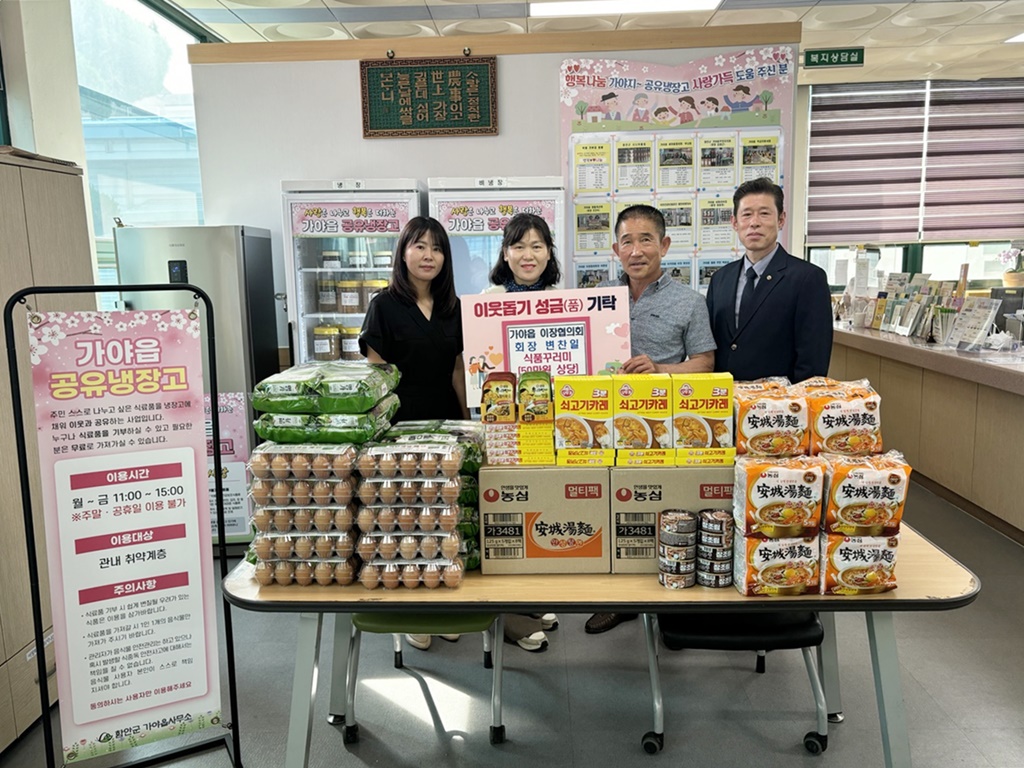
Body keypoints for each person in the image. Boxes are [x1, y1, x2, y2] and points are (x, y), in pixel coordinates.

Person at [587, 204, 716, 635]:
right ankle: (619, 600)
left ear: (664, 245)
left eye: (646, 240)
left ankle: (670, 603)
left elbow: (705, 363)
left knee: (655, 509)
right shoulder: (599, 297)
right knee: (612, 511)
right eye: (627, 241)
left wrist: (661, 370)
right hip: (601, 427)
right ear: (615, 250)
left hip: (663, 430)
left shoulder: (690, 302)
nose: (636, 250)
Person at [360, 217, 470, 652]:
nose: (429, 256)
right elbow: (377, 376)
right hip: (399, 427)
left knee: (445, 515)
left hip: (445, 423)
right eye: (419, 246)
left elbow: (459, 370)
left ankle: (445, 604)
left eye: (437, 248)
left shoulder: (453, 306)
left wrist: (467, 420)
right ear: (403, 252)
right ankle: (412, 609)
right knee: (404, 515)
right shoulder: (383, 305)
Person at [482, 213, 561, 651]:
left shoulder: (563, 300)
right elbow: (476, 367)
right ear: (505, 253)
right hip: (502, 429)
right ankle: (509, 615)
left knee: (543, 507)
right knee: (507, 512)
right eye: (518, 245)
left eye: (536, 245)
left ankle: (532, 601)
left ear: (549, 252)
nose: (527, 255)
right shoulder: (487, 301)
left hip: (551, 427)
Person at [705, 177, 833, 384]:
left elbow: (813, 359)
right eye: (747, 214)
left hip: (778, 400)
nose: (754, 222)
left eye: (764, 213)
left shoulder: (808, 278)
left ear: (781, 220)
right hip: (725, 397)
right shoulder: (720, 278)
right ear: (735, 223)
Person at [484, 212, 561, 293]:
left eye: (536, 247)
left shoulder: (560, 297)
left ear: (548, 252)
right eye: (519, 247)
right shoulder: (488, 297)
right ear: (506, 253)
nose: (528, 257)